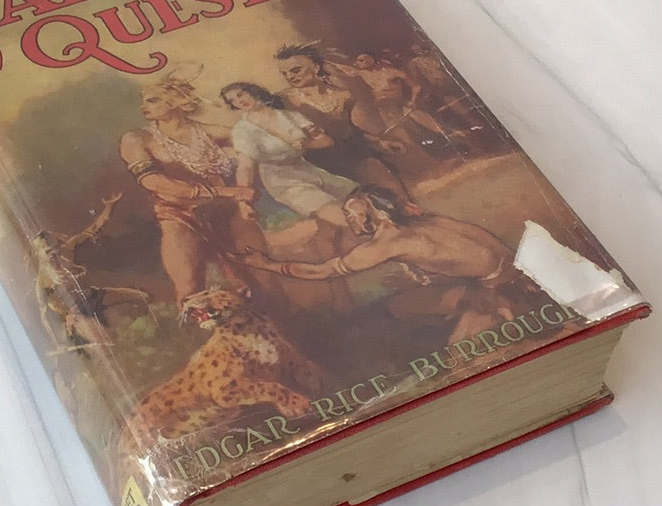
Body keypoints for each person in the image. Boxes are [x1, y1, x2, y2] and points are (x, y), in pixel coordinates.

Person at [239, 186, 531, 344]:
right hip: (510, 272)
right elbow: (474, 255)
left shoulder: (387, 243)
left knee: (460, 354)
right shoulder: (424, 221)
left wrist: (265, 264)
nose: (349, 220)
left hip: (497, 290)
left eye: (351, 213)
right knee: (402, 304)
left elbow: (320, 271)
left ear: (372, 212)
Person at [119, 76, 257, 305]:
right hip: (178, 216)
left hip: (226, 213)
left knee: (255, 280)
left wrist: (243, 189)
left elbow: (254, 147)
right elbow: (154, 182)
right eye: (143, 100)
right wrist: (227, 192)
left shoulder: (213, 132)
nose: (144, 106)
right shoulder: (136, 139)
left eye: (153, 100)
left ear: (177, 101)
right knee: (189, 290)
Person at [274, 44, 417, 204]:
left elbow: (351, 132)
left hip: (350, 154)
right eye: (285, 73)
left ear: (315, 67)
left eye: (296, 70)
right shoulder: (283, 101)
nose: (290, 77)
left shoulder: (343, 95)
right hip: (316, 162)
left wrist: (380, 142)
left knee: (390, 186)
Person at [220, 81, 356, 232]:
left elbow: (326, 141)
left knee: (358, 195)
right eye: (233, 100)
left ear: (253, 91)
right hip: (281, 181)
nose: (239, 101)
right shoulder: (243, 130)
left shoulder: (291, 116)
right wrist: (244, 202)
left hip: (307, 169)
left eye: (241, 95)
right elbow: (245, 166)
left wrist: (306, 144)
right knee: (333, 211)